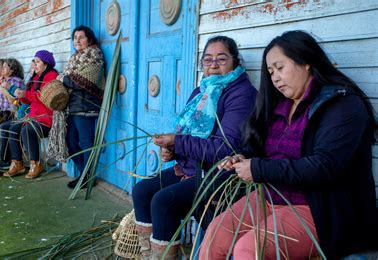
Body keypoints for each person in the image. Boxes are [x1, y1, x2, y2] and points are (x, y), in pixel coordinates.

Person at [199, 31, 377, 260]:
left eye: (280, 67)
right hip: (272, 196)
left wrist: (258, 169)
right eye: (271, 72)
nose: (274, 78)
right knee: (215, 234)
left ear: (306, 62)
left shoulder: (342, 105)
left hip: (318, 208)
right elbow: (262, 150)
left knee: (249, 250)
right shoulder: (280, 105)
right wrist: (241, 158)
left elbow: (324, 166)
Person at [131, 36, 257, 259]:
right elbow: (187, 134)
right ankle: (148, 255)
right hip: (192, 168)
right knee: (142, 191)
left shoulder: (241, 94)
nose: (213, 65)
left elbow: (224, 149)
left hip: (221, 174)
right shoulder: (203, 91)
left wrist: (177, 142)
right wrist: (172, 151)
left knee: (163, 202)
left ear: (236, 62)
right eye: (208, 60)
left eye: (221, 59)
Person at [55, 25, 105, 189]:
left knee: (85, 143)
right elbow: (67, 77)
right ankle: (85, 174)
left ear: (89, 39)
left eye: (81, 37)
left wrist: (64, 79)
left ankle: (87, 176)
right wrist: (65, 78)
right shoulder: (75, 58)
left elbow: (85, 81)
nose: (77, 40)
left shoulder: (94, 55)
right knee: (70, 141)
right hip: (73, 106)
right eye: (75, 37)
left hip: (86, 106)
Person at [0, 50, 58, 179]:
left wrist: (25, 94)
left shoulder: (51, 76)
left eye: (38, 62)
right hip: (33, 116)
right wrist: (21, 95)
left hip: (46, 118)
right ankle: (17, 163)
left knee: (27, 130)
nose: (34, 65)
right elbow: (28, 99)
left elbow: (43, 96)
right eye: (34, 61)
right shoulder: (35, 77)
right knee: (13, 128)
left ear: (46, 64)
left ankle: (35, 164)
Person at [0, 58, 24, 122]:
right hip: (2, 110)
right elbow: (0, 99)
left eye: (5, 67)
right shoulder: (4, 81)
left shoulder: (16, 81)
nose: (2, 69)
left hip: (11, 113)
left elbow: (16, 102)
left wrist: (5, 89)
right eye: (2, 67)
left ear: (12, 70)